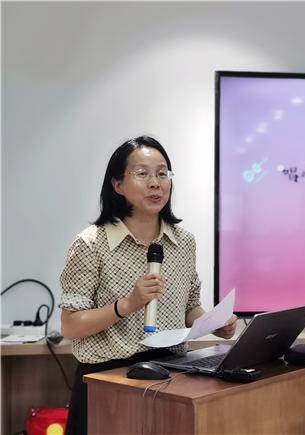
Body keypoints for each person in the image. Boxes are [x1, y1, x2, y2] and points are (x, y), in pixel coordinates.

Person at [59, 135, 237, 435]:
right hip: (108, 380)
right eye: (142, 174)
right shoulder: (91, 243)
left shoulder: (183, 242)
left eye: (162, 174)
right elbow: (70, 325)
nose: (156, 183)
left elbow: (189, 307)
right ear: (118, 184)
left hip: (172, 377)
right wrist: (127, 305)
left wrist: (213, 323)